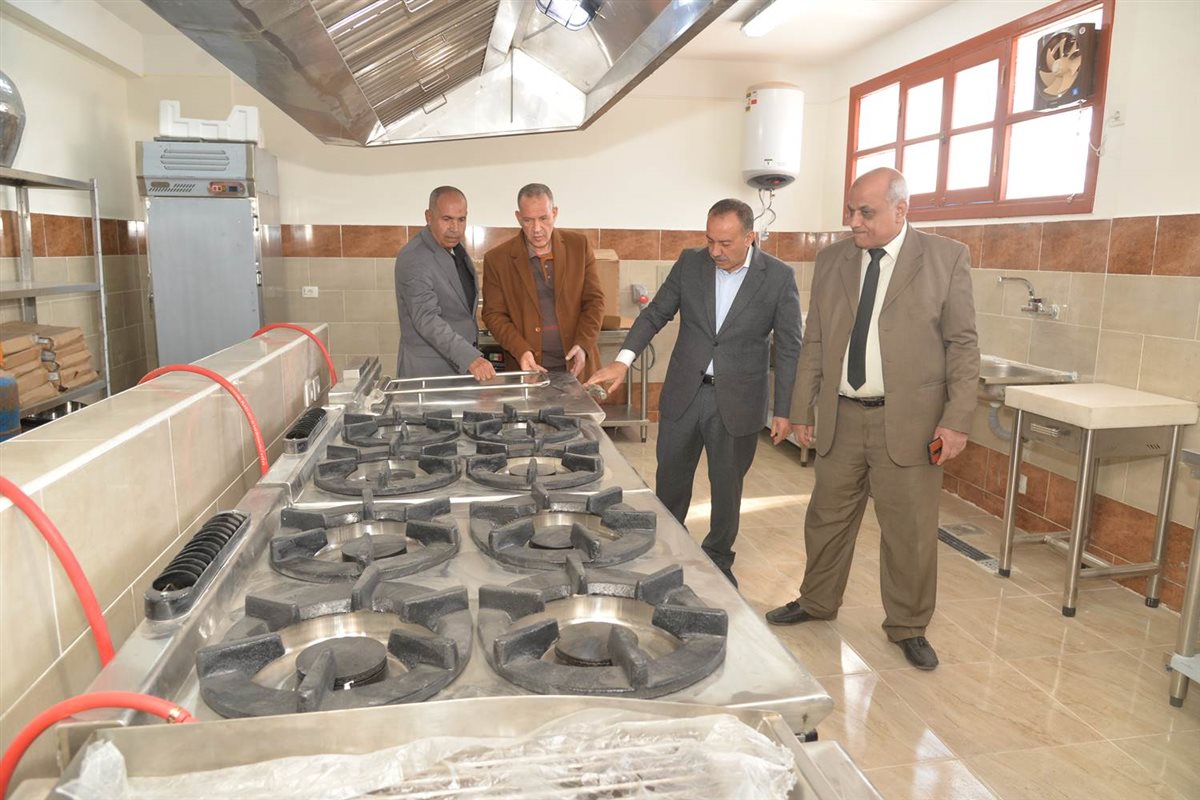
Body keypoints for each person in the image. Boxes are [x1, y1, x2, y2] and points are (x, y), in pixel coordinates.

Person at [765, 167, 979, 671]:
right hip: (842, 416)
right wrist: (802, 408)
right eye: (850, 210)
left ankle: (908, 624)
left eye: (866, 212)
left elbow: (962, 344)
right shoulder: (834, 259)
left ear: (901, 211)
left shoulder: (945, 258)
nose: (853, 221)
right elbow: (815, 340)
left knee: (909, 531)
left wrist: (956, 420)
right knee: (826, 519)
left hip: (910, 423)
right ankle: (817, 600)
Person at [587, 199, 801, 587]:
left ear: (750, 237)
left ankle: (719, 559)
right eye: (709, 240)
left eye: (725, 243)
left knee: (727, 488)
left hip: (738, 402)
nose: (715, 251)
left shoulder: (778, 277)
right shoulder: (691, 263)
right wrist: (622, 361)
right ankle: (667, 550)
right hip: (685, 394)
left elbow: (789, 347)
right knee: (670, 480)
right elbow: (655, 313)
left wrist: (785, 409)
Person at [481, 183, 605, 380]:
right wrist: (521, 350)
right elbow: (493, 314)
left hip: (577, 368)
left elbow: (594, 301)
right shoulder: (497, 259)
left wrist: (583, 344)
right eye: (528, 220)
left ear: (554, 213)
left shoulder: (578, 246)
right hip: (527, 371)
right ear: (518, 217)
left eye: (543, 218)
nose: (537, 229)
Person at [394, 186, 496, 381]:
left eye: (461, 219)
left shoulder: (455, 248)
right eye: (447, 219)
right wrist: (470, 357)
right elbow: (426, 318)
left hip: (458, 370)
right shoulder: (415, 257)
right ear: (429, 217)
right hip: (428, 375)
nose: (455, 228)